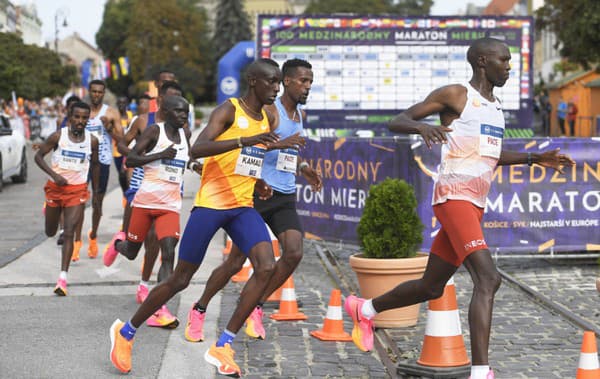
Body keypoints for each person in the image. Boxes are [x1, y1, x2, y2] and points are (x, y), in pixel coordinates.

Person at [343, 38, 575, 379]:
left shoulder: (495, 107)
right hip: (454, 197)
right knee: (488, 278)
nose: (509, 67)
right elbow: (398, 120)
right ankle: (481, 373)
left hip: (474, 202)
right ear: (483, 61)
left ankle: (365, 307)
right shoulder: (456, 94)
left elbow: (490, 156)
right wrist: (421, 126)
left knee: (431, 287)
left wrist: (535, 157)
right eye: (504, 60)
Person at [108, 58, 282, 377]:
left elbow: (246, 159)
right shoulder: (229, 110)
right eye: (271, 81)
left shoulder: (268, 117)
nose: (276, 88)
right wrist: (244, 140)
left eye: (279, 82)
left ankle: (223, 344)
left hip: (243, 205)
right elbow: (199, 148)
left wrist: (259, 181)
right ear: (253, 80)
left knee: (267, 266)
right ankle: (126, 331)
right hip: (211, 205)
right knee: (180, 279)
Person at [184, 58, 322, 343]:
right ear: (286, 81)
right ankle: (200, 308)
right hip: (256, 192)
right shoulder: (270, 109)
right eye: (303, 81)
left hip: (283, 194)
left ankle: (254, 306)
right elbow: (257, 143)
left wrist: (303, 168)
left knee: (294, 252)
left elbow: (287, 154)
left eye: (311, 81)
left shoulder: (299, 116)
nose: (308, 87)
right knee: (236, 263)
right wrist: (277, 148)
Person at [104, 94, 191, 329]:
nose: (184, 116)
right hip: (144, 203)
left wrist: (195, 165)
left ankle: (160, 308)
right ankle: (117, 245)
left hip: (169, 206)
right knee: (131, 252)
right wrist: (160, 155)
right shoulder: (154, 131)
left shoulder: (186, 135)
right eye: (179, 112)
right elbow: (131, 159)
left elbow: (185, 159)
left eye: (187, 112)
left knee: (169, 252)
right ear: (166, 112)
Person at [34, 102, 100, 295]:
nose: (80, 121)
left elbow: (95, 166)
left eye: (84, 118)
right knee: (50, 231)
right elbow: (38, 157)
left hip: (77, 191)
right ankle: (49, 210)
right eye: (77, 117)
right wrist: (54, 176)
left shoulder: (92, 141)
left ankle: (62, 279)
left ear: (88, 119)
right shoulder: (58, 136)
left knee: (69, 231)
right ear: (70, 117)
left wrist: (96, 193)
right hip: (55, 188)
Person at [77, 80, 123, 259]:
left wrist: (109, 128)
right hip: (82, 160)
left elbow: (122, 139)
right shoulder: (81, 112)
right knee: (78, 202)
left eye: (99, 92)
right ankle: (76, 241)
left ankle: (93, 235)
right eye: (93, 91)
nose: (96, 95)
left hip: (102, 161)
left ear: (103, 94)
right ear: (89, 92)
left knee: (97, 201)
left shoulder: (110, 113)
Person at [114, 96, 133, 198]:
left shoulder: (131, 115)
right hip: (118, 152)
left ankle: (129, 198)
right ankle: (126, 197)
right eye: (119, 103)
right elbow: (112, 133)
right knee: (122, 176)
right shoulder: (115, 117)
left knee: (128, 175)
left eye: (123, 103)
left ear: (127, 104)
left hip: (129, 150)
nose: (121, 105)